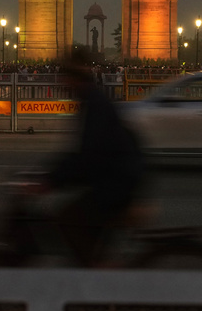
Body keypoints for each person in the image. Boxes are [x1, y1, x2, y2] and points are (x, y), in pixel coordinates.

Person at [41, 47, 146, 265]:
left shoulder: (94, 104)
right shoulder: (93, 100)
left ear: (73, 78)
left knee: (67, 220)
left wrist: (51, 180)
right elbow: (83, 154)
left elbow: (87, 158)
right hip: (118, 178)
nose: (61, 83)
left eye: (64, 77)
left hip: (116, 184)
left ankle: (99, 278)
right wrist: (53, 175)